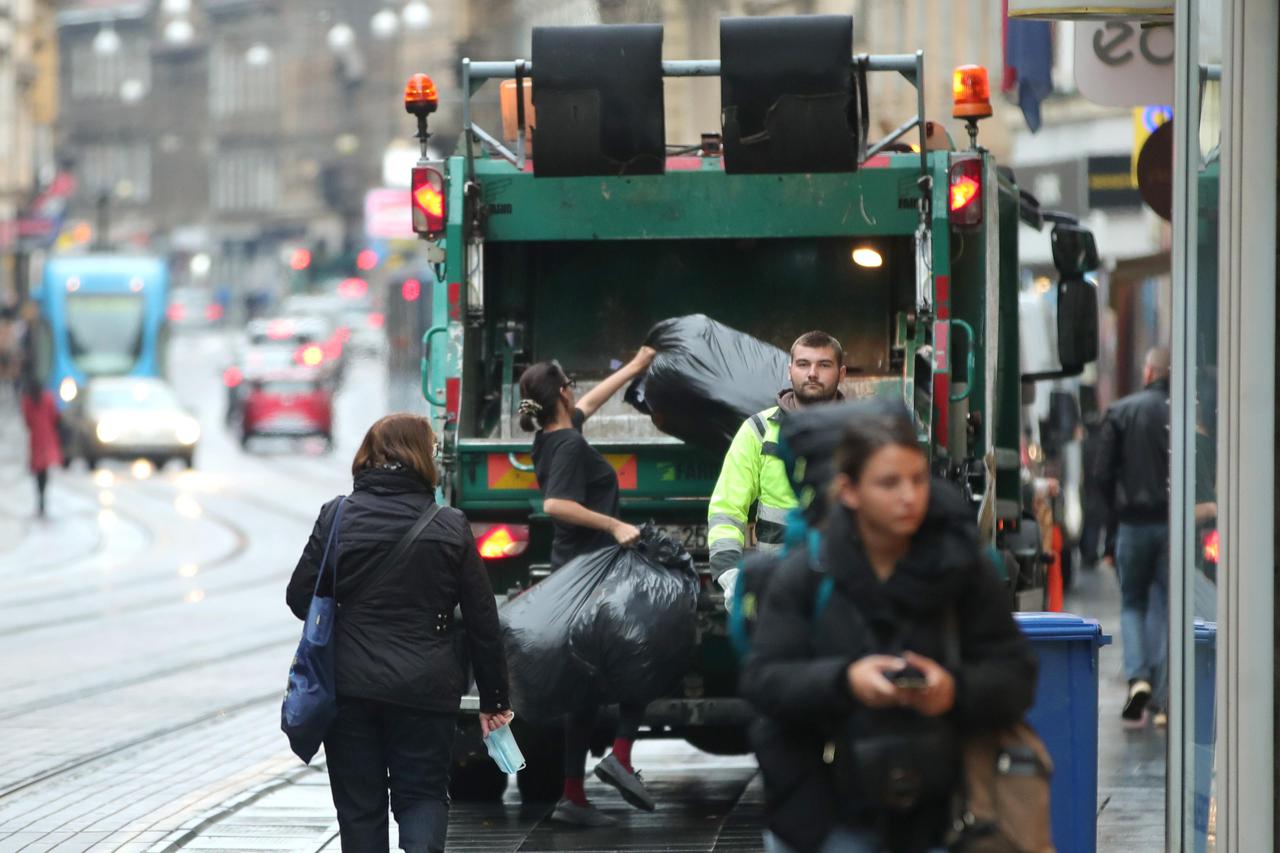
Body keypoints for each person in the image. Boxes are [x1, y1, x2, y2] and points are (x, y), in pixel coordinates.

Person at [740, 408, 1037, 853]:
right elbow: (765, 681)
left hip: (946, 819)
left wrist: (952, 690)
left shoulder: (963, 570)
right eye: (889, 483)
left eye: (918, 480)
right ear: (849, 491)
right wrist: (846, 681)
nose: (909, 497)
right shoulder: (808, 574)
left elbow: (1015, 676)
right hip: (829, 820)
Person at [286, 414, 511, 853]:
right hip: (425, 691)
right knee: (423, 796)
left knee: (359, 810)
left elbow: (299, 598)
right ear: (425, 459)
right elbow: (484, 622)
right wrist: (494, 701)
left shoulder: (337, 517)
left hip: (349, 690)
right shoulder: (450, 526)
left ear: (369, 453)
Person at [517, 348, 658, 827]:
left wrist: (636, 367)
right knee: (643, 655)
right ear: (561, 392)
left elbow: (587, 406)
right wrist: (615, 526)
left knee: (585, 686)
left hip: (579, 571)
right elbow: (557, 504)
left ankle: (573, 794)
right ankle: (617, 755)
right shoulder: (570, 447)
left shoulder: (553, 436)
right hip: (587, 573)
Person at [708, 330, 847, 603]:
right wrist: (729, 573)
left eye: (824, 365)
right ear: (789, 370)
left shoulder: (859, 433)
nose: (812, 373)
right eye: (803, 364)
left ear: (841, 374)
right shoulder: (758, 431)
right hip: (777, 586)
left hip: (842, 586)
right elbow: (726, 508)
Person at [1093, 346, 1171, 728]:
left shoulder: (1122, 412)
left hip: (1133, 525)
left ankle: (1138, 678)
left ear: (1148, 371)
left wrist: (1109, 534)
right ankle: (1163, 695)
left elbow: (1103, 476)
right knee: (1166, 603)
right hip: (1174, 524)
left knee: (1133, 603)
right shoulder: (1185, 412)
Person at [20, 373, 63, 518]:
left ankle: (40, 500)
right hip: (48, 437)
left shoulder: (27, 401)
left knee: (38, 472)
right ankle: (43, 500)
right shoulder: (48, 398)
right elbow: (55, 416)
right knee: (44, 472)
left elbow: (27, 421)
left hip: (36, 439)